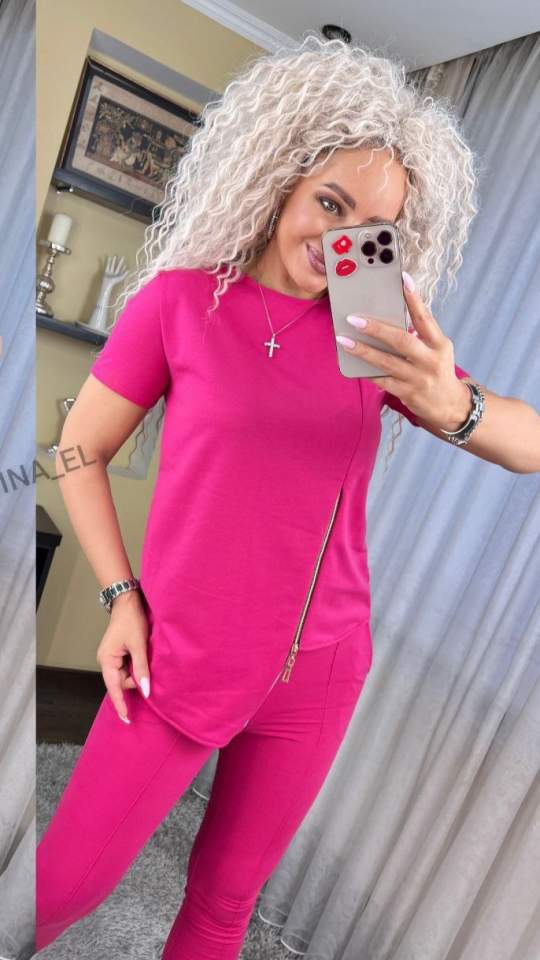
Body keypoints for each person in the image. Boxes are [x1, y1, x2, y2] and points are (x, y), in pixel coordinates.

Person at [36, 32, 537, 960]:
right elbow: (78, 451)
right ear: (282, 181)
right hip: (180, 657)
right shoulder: (179, 304)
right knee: (60, 885)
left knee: (223, 907)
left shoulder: (374, 335)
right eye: (329, 203)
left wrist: (452, 403)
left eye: (372, 227)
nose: (339, 240)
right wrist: (120, 596)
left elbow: (529, 443)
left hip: (320, 675)